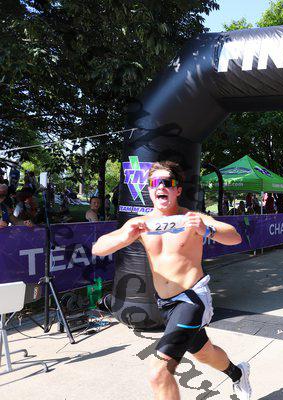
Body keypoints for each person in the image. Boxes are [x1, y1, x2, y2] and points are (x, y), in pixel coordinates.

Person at [92, 161, 251, 400]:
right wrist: (124, 237)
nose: (161, 186)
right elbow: (98, 248)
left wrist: (207, 230)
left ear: (177, 190)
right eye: (155, 182)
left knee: (159, 372)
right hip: (166, 305)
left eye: (167, 182)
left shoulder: (192, 218)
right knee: (204, 353)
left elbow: (235, 237)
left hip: (192, 299)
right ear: (149, 189)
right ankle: (238, 373)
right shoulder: (140, 224)